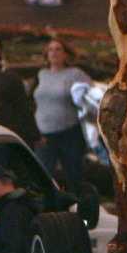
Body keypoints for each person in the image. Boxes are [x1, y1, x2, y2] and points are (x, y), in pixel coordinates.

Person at [33, 37, 91, 191]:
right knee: (42, 175)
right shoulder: (41, 74)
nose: (54, 53)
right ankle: (47, 210)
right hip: (44, 134)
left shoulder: (75, 74)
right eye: (51, 49)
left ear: (66, 54)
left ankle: (79, 209)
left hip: (68, 133)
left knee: (74, 176)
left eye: (58, 49)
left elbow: (90, 97)